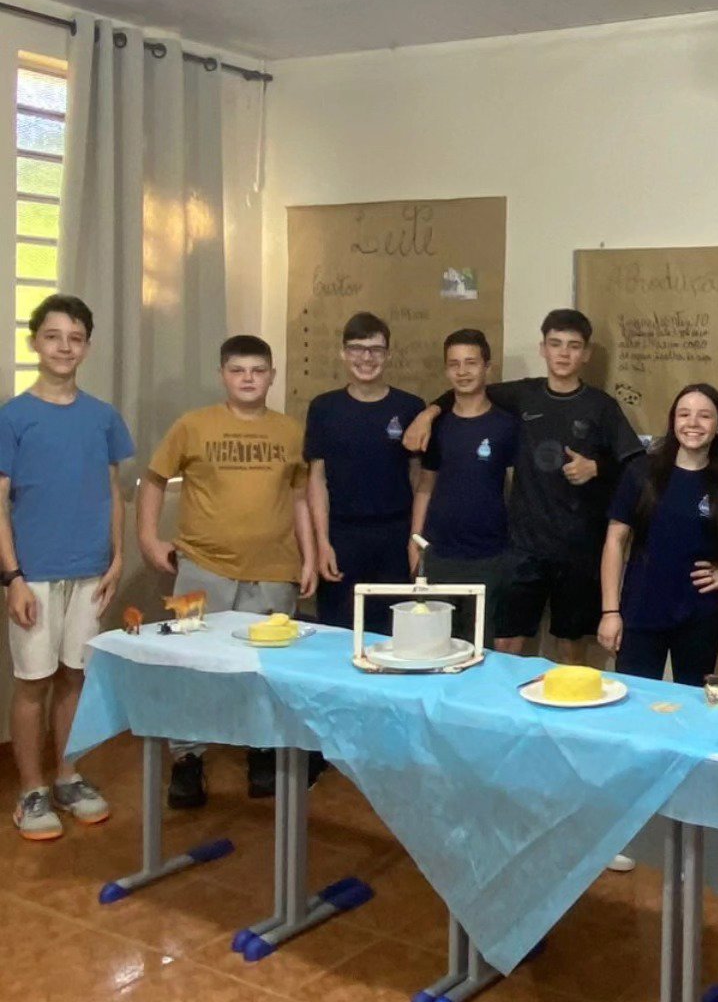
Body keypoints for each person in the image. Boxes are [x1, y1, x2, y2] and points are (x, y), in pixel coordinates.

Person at [403, 310, 642, 662]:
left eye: (573, 346)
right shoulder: (522, 395)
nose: (563, 353)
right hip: (522, 548)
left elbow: (636, 463)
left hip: (579, 547)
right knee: (505, 645)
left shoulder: (601, 406)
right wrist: (428, 413)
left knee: (571, 646)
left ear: (586, 353)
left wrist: (597, 467)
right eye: (555, 344)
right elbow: (465, 389)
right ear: (543, 348)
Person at [138, 334, 315, 809]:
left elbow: (300, 498)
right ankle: (188, 759)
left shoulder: (290, 431)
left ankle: (262, 751)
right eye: (238, 370)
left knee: (265, 670)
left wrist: (310, 556)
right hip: (202, 567)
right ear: (223, 376)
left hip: (273, 570)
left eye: (257, 370)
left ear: (271, 376)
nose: (248, 379)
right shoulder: (193, 426)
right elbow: (153, 480)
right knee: (191, 666)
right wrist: (148, 538)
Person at [1, 294, 133, 841]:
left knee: (75, 674)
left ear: (87, 347)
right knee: (34, 681)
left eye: (75, 338)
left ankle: (66, 775)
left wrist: (117, 557)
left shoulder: (102, 417)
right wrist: (12, 577)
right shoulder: (13, 417)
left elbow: (113, 492)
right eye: (53, 336)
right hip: (32, 574)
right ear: (35, 342)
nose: (64, 347)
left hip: (89, 571)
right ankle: (31, 790)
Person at [598, 384, 718, 686]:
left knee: (694, 701)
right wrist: (610, 611)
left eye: (704, 416)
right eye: (684, 414)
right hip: (640, 611)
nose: (693, 423)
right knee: (635, 698)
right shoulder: (641, 472)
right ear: (673, 421)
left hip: (699, 616)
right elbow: (614, 542)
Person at [305, 312, 424, 634]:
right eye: (357, 349)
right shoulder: (324, 408)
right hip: (342, 536)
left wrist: (415, 540)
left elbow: (418, 479)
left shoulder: (410, 407)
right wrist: (322, 543)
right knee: (338, 633)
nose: (366, 358)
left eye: (376, 350)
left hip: (395, 537)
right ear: (343, 353)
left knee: (395, 634)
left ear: (388, 355)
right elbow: (316, 479)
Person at [410, 329, 520, 650]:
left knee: (479, 649)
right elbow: (425, 486)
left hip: (489, 556)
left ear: (487, 367)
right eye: (454, 364)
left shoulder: (506, 425)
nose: (462, 371)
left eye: (471, 363)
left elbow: (516, 488)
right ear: (446, 370)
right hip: (439, 554)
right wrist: (415, 540)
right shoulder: (438, 426)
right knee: (434, 647)